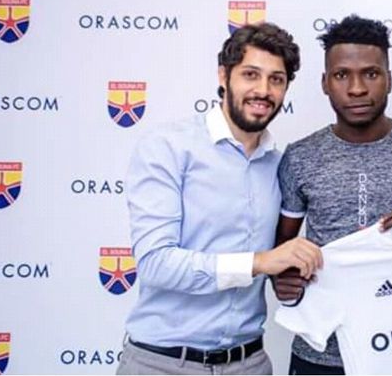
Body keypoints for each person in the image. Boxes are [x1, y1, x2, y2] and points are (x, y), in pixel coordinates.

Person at [116, 23, 323, 375]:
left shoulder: (281, 165)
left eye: (276, 79)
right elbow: (154, 262)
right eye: (250, 75)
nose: (263, 90)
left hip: (249, 363)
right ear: (223, 76)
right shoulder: (167, 147)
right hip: (164, 364)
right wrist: (259, 262)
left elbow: (280, 260)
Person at [274, 15, 392, 375]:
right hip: (322, 354)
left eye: (371, 74)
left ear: (389, 79)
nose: (357, 88)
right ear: (325, 83)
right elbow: (280, 248)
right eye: (341, 75)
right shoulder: (300, 157)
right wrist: (282, 279)